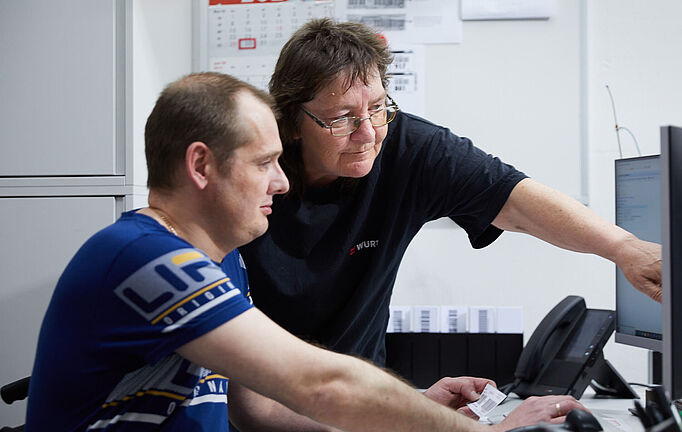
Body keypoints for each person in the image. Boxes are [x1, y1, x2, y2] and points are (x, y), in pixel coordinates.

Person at [24, 72, 582, 431]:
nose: (282, 183)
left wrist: (418, 412)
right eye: (265, 163)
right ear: (201, 167)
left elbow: (262, 409)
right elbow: (323, 384)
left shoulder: (220, 262)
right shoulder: (145, 260)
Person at [234, 18, 662, 429]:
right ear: (291, 123)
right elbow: (253, 408)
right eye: (341, 119)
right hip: (277, 410)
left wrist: (622, 248)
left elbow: (515, 200)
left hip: (359, 408)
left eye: (379, 108)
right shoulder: (248, 184)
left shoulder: (407, 147)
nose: (367, 134)